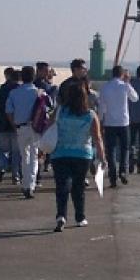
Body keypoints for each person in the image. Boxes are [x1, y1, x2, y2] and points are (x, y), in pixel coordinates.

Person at [50, 79, 105, 232]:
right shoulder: (90, 115)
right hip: (82, 154)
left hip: (60, 153)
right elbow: (97, 137)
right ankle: (80, 217)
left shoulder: (60, 110)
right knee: (78, 186)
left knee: (61, 185)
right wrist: (102, 157)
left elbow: (49, 126)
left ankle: (61, 215)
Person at [6, 66, 47, 198]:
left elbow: (9, 111)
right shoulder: (39, 92)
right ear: (34, 76)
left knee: (24, 157)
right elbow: (48, 109)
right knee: (34, 157)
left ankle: (25, 184)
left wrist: (14, 125)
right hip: (36, 128)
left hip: (21, 127)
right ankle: (30, 185)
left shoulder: (14, 93)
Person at [97, 65, 138, 188]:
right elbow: (135, 98)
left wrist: (100, 121)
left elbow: (101, 107)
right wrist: (128, 82)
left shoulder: (105, 87)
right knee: (125, 148)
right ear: (122, 75)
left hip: (109, 123)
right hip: (123, 122)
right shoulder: (125, 86)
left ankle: (113, 177)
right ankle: (123, 172)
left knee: (111, 150)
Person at [0, 67, 20, 183]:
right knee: (16, 152)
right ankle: (15, 175)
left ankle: (1, 167)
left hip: (2, 124)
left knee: (0, 149)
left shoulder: (1, 90)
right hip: (17, 125)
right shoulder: (20, 91)